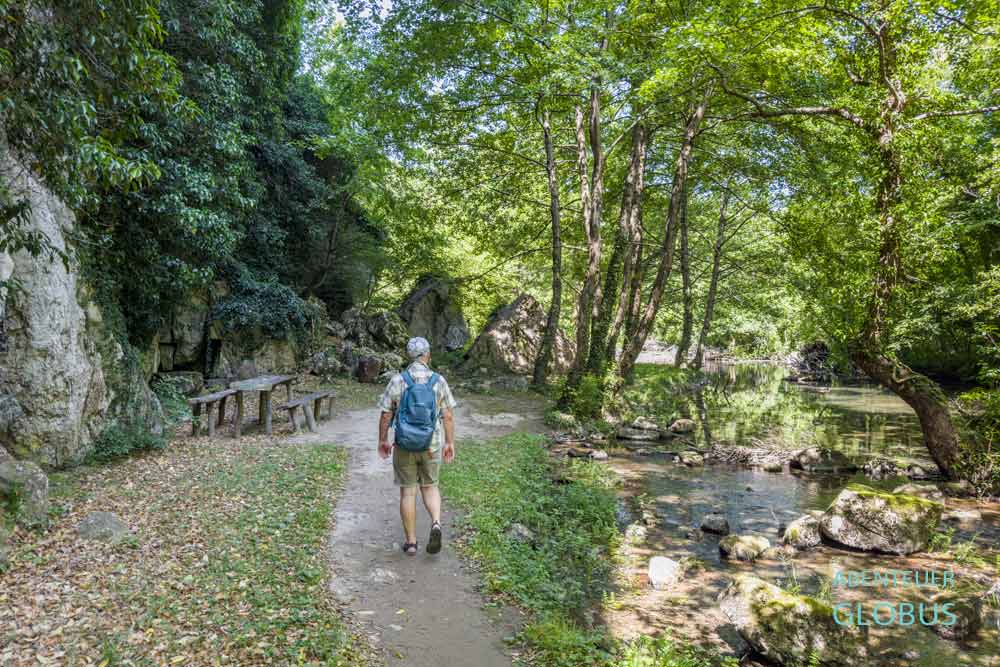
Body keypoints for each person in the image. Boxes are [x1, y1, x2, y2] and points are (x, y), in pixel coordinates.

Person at [377, 336, 457, 555]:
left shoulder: (398, 380)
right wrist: (449, 443)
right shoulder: (438, 380)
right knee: (430, 487)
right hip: (430, 445)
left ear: (409, 356)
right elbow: (447, 416)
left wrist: (383, 441)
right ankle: (436, 523)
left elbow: (386, 415)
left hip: (404, 445)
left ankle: (411, 543)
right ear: (427, 355)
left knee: (408, 493)